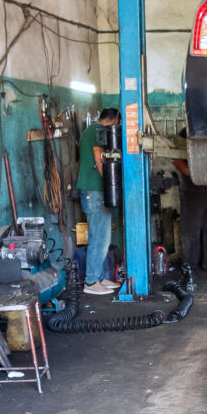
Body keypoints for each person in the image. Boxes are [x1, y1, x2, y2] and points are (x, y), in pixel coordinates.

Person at [77, 107, 121, 295]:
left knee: (103, 237)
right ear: (113, 122)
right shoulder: (97, 131)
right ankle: (91, 281)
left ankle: (99, 278)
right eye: (117, 125)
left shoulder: (91, 130)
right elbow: (99, 159)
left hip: (95, 191)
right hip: (94, 191)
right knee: (98, 238)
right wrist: (112, 184)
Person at [173, 133, 207, 274]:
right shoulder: (184, 133)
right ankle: (190, 265)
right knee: (191, 230)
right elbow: (176, 160)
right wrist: (196, 175)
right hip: (192, 190)